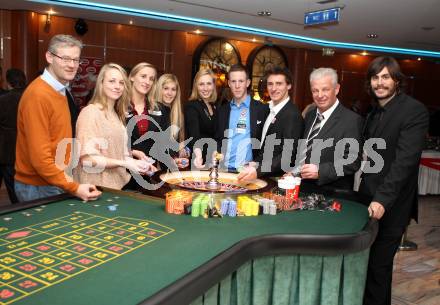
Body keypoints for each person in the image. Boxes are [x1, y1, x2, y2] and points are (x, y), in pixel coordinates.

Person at [360, 56, 429, 305]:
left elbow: (404, 163)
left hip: (391, 205)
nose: (380, 83)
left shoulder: (414, 110)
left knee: (378, 268)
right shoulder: (374, 111)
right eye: (375, 77)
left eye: (385, 77)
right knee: (366, 266)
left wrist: (382, 199)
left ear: (397, 80)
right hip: (368, 201)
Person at [15, 34, 101, 202]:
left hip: (55, 180)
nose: (71, 65)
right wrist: (74, 187)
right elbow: (40, 159)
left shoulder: (60, 90)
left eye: (76, 60)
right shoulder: (38, 94)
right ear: (49, 57)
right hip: (39, 186)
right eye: (65, 58)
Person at [74, 63, 155, 189]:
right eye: (112, 81)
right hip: (93, 188)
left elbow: (119, 155)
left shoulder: (117, 115)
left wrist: (137, 164)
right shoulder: (90, 112)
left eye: (121, 83)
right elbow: (88, 160)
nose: (117, 86)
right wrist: (125, 164)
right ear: (101, 84)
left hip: (115, 188)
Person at [297, 67, 363, 194]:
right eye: (315, 90)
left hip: (333, 194)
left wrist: (320, 171)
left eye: (325, 89)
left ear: (337, 89)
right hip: (304, 189)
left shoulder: (352, 120)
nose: (320, 95)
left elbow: (353, 161)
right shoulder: (309, 116)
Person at [238, 66, 304, 181]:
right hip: (264, 176)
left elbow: (288, 156)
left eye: (279, 84)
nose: (274, 88)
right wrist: (255, 164)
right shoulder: (269, 110)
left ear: (289, 86)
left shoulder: (291, 114)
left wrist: (258, 170)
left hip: (277, 179)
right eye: (270, 84)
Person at [214, 64, 269, 171]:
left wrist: (258, 163)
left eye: (241, 81)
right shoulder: (222, 110)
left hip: (246, 172)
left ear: (247, 83)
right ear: (229, 83)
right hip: (223, 170)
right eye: (233, 81)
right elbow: (217, 139)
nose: (237, 86)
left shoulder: (261, 110)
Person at [127, 62, 168, 171]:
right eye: (143, 76)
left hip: (150, 172)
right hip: (123, 173)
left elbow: (164, 142)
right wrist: (132, 152)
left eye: (151, 79)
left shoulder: (159, 108)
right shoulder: (119, 107)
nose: (147, 82)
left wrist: (174, 158)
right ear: (132, 77)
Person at [0, 68, 27, 203]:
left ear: (8, 81)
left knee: (12, 187)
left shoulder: (4, 100)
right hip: (27, 148)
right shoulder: (31, 96)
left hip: (6, 149)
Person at [153, 73, 189, 169]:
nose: (169, 93)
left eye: (173, 89)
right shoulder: (155, 111)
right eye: (166, 88)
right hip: (156, 169)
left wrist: (183, 150)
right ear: (159, 89)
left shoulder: (176, 114)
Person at [185, 68, 217, 167]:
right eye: (201, 84)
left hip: (214, 161)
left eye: (208, 83)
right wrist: (198, 156)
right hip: (199, 161)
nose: (205, 88)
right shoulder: (192, 106)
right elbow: (194, 135)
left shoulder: (214, 106)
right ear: (196, 87)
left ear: (213, 85)